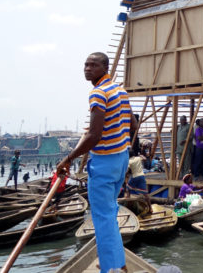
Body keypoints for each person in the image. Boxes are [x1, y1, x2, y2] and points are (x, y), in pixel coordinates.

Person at [56, 52, 131, 273]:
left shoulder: (98, 93)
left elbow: (95, 136)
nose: (88, 69)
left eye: (93, 65)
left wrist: (67, 159)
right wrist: (115, 135)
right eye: (86, 65)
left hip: (105, 162)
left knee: (102, 217)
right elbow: (132, 124)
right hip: (121, 158)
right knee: (110, 212)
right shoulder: (120, 91)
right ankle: (120, 264)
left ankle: (111, 268)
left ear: (104, 68)